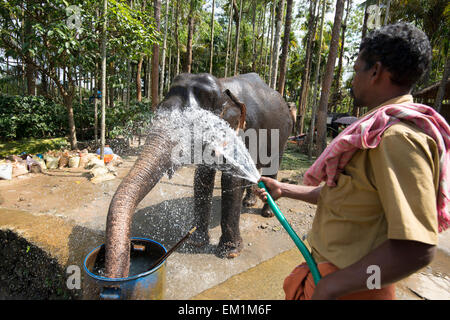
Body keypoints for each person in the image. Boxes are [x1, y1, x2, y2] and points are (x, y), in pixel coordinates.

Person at [256, 22, 450, 300]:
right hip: (335, 280)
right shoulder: (374, 131)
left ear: (376, 71)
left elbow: (416, 249)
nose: (353, 79)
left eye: (357, 69)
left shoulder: (396, 139)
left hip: (352, 290)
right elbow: (352, 195)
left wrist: (334, 286)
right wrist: (285, 189)